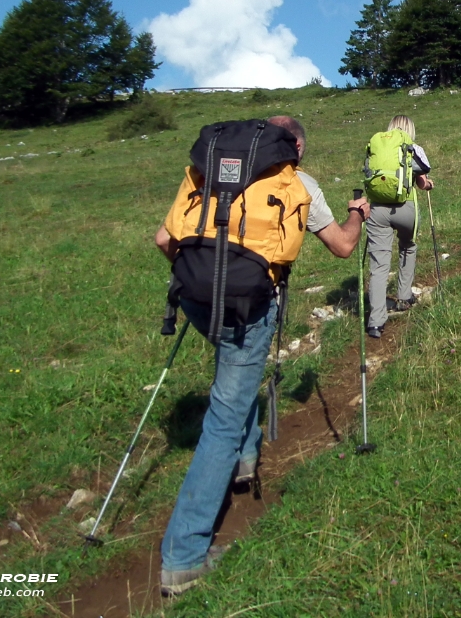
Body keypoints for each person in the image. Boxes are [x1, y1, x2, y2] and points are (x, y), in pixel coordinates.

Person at [153, 115, 369, 596]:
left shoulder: (209, 170)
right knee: (225, 416)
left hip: (194, 295)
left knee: (232, 380)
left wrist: (201, 277)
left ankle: (246, 459)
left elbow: (165, 240)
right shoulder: (298, 182)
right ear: (296, 148)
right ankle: (184, 558)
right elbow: (341, 246)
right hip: (250, 305)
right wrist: (358, 212)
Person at [364, 114, 433, 339]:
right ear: (409, 129)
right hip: (405, 208)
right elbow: (422, 179)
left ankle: (375, 321)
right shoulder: (411, 147)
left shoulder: (375, 144)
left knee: (379, 264)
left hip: (377, 210)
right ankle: (404, 296)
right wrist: (427, 183)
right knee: (408, 246)